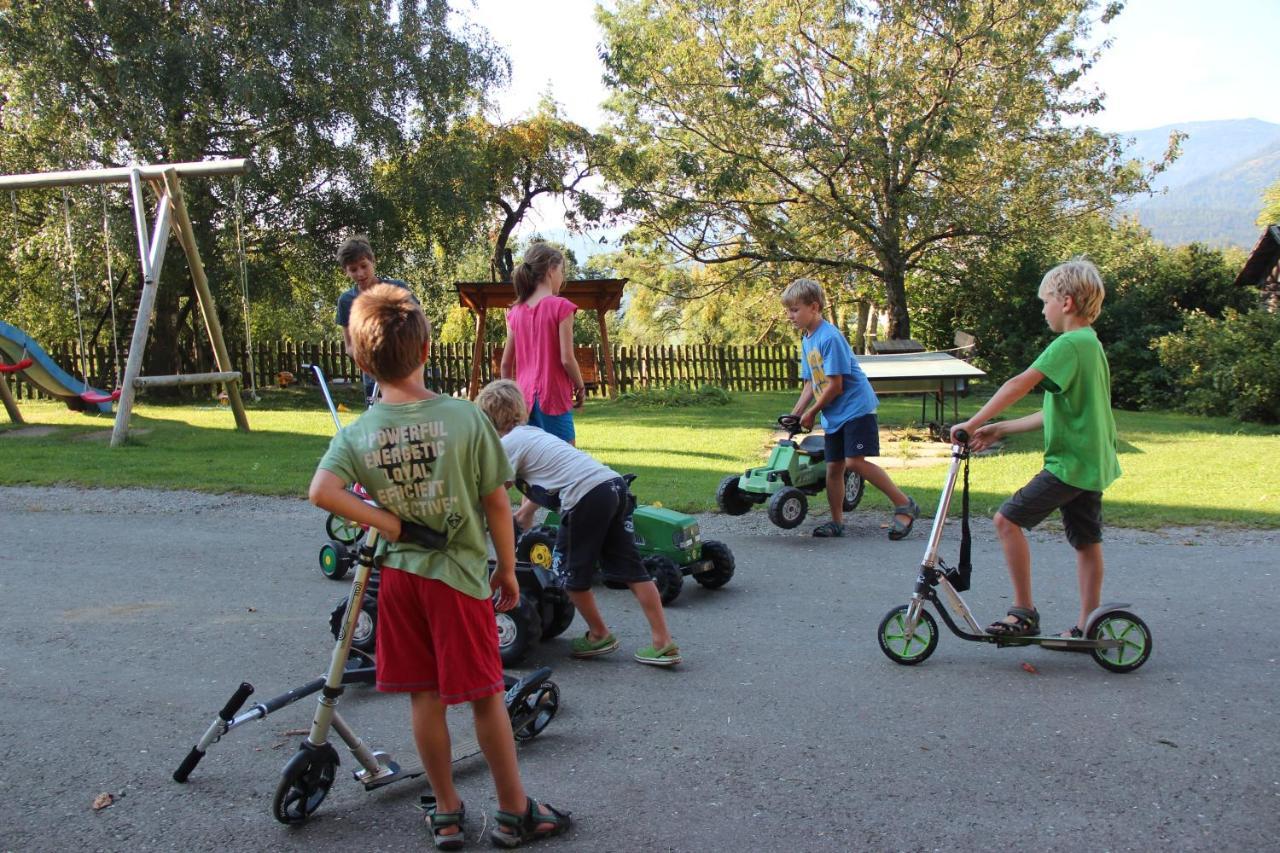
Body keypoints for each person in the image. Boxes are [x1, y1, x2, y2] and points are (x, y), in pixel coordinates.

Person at [309, 285, 570, 849]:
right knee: (483, 696)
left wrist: (392, 526)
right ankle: (512, 812)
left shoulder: (359, 432)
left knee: (424, 697)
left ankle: (448, 811)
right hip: (459, 582)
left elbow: (322, 491)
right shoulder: (465, 417)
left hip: (400, 582)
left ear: (358, 360)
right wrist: (506, 569)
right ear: (427, 348)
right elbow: (498, 503)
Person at [951, 259, 1121, 639]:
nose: (1042, 310)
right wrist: (1001, 429)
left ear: (1067, 302)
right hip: (1090, 463)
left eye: (1045, 301)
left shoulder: (1069, 343)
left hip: (1070, 464)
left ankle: (1023, 612)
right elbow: (1054, 412)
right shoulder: (1089, 344)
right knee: (1087, 541)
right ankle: (1088, 625)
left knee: (1007, 520)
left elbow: (1019, 384)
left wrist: (972, 423)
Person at [476, 378, 682, 667]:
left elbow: (497, 488)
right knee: (632, 570)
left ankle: (599, 634)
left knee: (566, 570)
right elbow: (552, 477)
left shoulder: (509, 443)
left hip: (586, 498)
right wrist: (523, 514)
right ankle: (663, 642)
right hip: (612, 486)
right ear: (519, 410)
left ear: (487, 419)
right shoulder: (534, 434)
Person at [782, 278, 920, 539]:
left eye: (795, 309)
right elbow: (811, 383)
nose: (790, 316)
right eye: (788, 310)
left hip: (856, 408)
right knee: (834, 467)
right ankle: (836, 523)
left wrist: (811, 413)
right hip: (836, 414)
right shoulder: (807, 339)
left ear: (814, 307)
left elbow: (835, 386)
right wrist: (796, 414)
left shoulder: (829, 337)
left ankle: (905, 504)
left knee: (854, 462)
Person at [499, 243, 586, 445]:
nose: (562, 278)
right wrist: (580, 387)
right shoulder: (561, 307)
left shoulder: (516, 312)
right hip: (553, 396)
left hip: (524, 400)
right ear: (551, 270)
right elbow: (567, 359)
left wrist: (511, 399)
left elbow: (505, 364)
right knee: (567, 460)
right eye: (562, 271)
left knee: (533, 463)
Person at [334, 235, 413, 402]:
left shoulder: (396, 288)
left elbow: (416, 326)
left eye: (364, 266)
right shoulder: (346, 301)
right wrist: (370, 357)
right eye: (353, 269)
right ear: (346, 271)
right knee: (379, 424)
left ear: (372, 261)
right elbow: (350, 346)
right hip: (373, 375)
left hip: (404, 370)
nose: (360, 273)